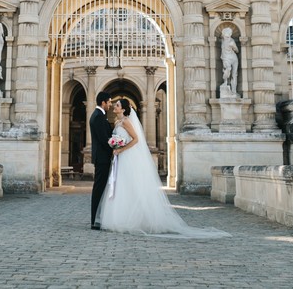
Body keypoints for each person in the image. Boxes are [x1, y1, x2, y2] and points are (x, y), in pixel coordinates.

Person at [95, 99, 229, 238]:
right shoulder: (117, 122)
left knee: (130, 185)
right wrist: (116, 147)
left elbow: (136, 139)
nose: (114, 107)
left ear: (123, 109)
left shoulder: (127, 122)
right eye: (115, 105)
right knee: (121, 186)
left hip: (126, 156)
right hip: (121, 158)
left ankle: (134, 219)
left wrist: (121, 149)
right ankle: (119, 217)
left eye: (117, 105)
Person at [89, 91, 113, 230]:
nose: (110, 104)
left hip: (102, 157)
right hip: (102, 157)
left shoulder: (99, 116)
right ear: (103, 102)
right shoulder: (98, 116)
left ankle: (98, 218)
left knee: (101, 188)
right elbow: (104, 140)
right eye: (109, 102)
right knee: (99, 188)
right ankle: (94, 220)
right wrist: (115, 149)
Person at [220, 27, 239, 96]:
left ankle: (234, 91)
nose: (227, 35)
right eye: (226, 33)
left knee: (234, 74)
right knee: (227, 70)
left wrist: (233, 46)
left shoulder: (231, 41)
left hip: (233, 59)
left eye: (228, 33)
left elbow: (237, 50)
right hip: (226, 58)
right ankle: (225, 84)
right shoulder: (222, 40)